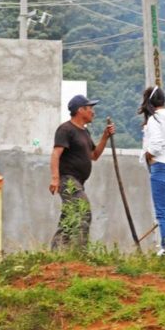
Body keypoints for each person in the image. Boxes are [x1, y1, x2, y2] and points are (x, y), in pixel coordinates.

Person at [49, 94, 115, 249]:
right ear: (80, 110)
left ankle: (56, 251)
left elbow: (94, 155)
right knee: (83, 211)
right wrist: (55, 178)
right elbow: (55, 154)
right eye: (90, 108)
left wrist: (105, 137)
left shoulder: (85, 133)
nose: (93, 112)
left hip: (79, 182)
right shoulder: (65, 129)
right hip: (68, 180)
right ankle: (80, 252)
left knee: (69, 217)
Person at [138, 86, 165, 256]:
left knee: (162, 213)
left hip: (161, 168)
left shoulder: (154, 119)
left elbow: (155, 145)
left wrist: (147, 155)